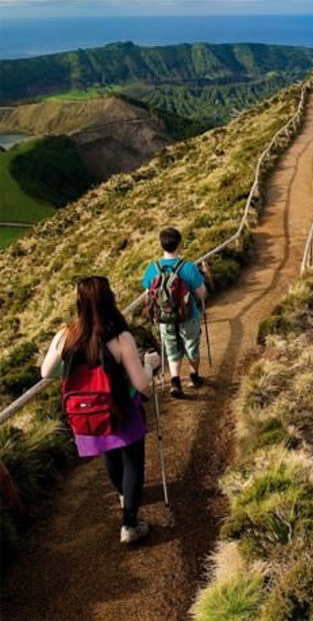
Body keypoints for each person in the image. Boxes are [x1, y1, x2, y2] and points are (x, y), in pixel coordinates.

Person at [41, 276, 160, 544]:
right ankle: (129, 524)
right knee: (133, 461)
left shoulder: (66, 335)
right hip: (122, 409)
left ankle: (123, 496)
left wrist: (74, 372)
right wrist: (150, 365)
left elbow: (45, 372)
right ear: (110, 300)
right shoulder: (120, 337)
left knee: (110, 454)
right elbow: (142, 384)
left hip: (88, 411)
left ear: (79, 303)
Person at [142, 227, 208, 399]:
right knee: (191, 346)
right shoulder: (189, 267)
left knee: (172, 349)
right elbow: (202, 294)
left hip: (164, 318)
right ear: (180, 243)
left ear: (161, 245)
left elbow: (149, 295)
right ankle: (194, 377)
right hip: (188, 316)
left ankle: (175, 381)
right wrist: (205, 276)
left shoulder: (152, 269)